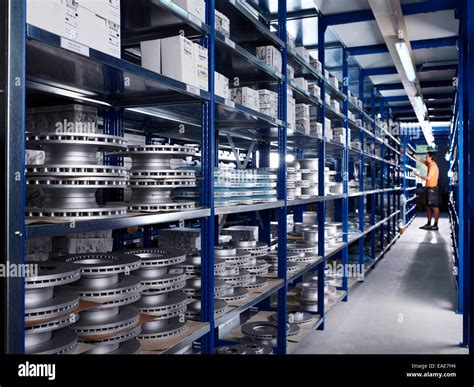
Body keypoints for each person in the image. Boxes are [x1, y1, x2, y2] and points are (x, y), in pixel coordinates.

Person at [406, 149, 440, 231]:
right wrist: (411, 153)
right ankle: (429, 223)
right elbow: (420, 160)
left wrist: (418, 175)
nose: (425, 158)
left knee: (434, 207)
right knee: (427, 206)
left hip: (432, 189)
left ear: (431, 157)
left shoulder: (433, 166)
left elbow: (428, 178)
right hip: (428, 189)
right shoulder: (429, 164)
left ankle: (435, 224)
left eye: (427, 156)